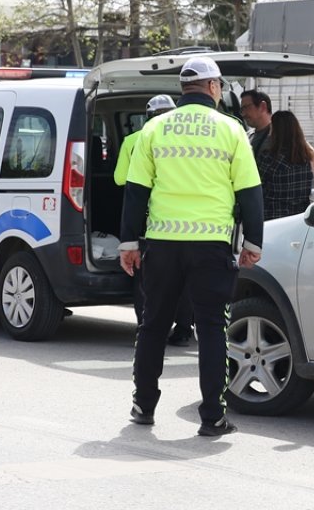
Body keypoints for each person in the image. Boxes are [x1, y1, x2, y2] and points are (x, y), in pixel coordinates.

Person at [118, 56, 264, 437]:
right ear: (214, 87)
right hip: (212, 245)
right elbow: (250, 191)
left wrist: (129, 243)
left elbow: (135, 193)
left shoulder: (156, 128)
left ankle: (143, 405)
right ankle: (212, 416)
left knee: (153, 324)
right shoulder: (231, 129)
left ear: (184, 89)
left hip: (163, 245)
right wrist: (253, 242)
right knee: (213, 329)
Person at [113, 94, 194, 346]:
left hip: (150, 223)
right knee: (183, 281)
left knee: (145, 281)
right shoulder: (187, 140)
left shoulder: (133, 140)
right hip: (185, 221)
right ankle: (183, 330)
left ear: (147, 117)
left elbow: (119, 179)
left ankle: (145, 329)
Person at [257, 110, 314, 219]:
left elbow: (257, 187)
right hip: (299, 219)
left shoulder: (268, 158)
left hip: (273, 219)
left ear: (276, 131)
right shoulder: (306, 159)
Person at [240, 89, 273, 159]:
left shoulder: (278, 138)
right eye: (242, 110)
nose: (243, 114)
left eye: (246, 108)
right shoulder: (247, 136)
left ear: (262, 107)